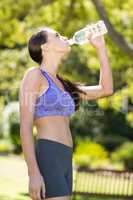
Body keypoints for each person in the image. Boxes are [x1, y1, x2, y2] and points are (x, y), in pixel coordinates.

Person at [19, 26, 113, 200]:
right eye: (57, 35)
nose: (64, 36)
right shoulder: (34, 75)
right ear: (45, 47)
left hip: (66, 155)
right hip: (49, 152)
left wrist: (100, 48)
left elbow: (106, 89)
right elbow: (25, 125)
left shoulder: (65, 85)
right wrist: (33, 173)